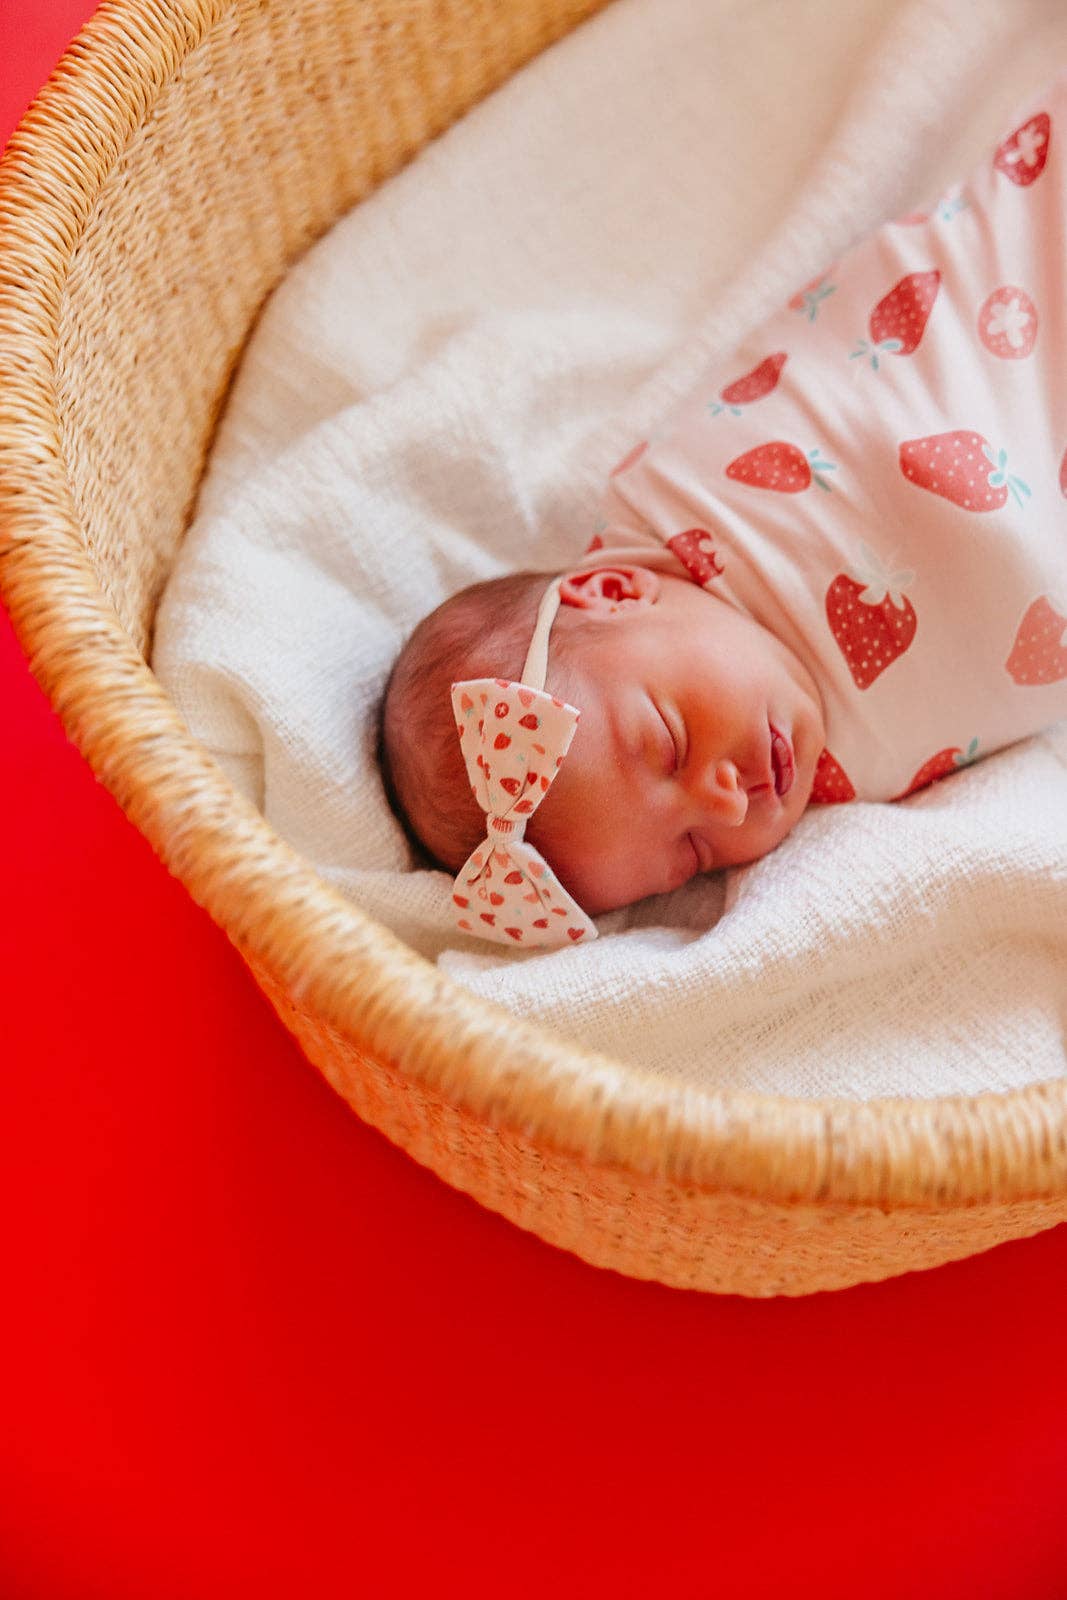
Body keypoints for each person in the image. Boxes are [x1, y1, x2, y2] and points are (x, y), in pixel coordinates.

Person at [381, 74, 1067, 947]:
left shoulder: (685, 509)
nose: (723, 799)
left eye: (666, 742)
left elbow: (860, 379)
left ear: (617, 592)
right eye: (696, 853)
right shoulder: (843, 804)